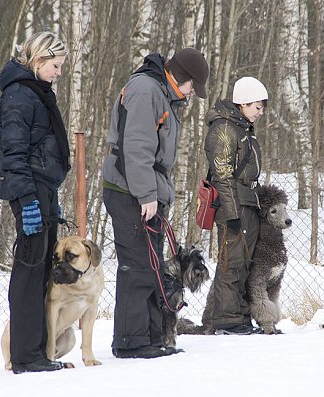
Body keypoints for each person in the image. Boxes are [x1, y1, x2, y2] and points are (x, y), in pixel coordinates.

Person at [102, 48, 209, 358]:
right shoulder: (146, 89)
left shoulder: (160, 93)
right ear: (182, 77)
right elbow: (136, 146)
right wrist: (146, 194)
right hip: (130, 191)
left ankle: (151, 338)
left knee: (151, 267)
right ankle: (130, 342)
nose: (191, 93)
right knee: (137, 266)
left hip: (144, 188)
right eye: (192, 86)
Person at [0, 31, 70, 373]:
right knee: (29, 268)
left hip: (44, 187)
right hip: (29, 189)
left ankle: (39, 350)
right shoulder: (19, 96)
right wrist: (28, 201)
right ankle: (25, 355)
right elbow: (14, 154)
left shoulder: (37, 92)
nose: (59, 72)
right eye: (55, 65)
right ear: (38, 60)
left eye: (62, 66)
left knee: (42, 271)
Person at [204, 76, 268, 335]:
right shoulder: (224, 129)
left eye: (262, 107)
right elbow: (223, 175)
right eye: (256, 106)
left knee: (244, 262)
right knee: (231, 261)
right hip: (234, 205)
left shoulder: (242, 128)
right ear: (242, 102)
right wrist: (230, 214)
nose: (260, 112)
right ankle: (227, 318)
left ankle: (240, 316)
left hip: (247, 201)